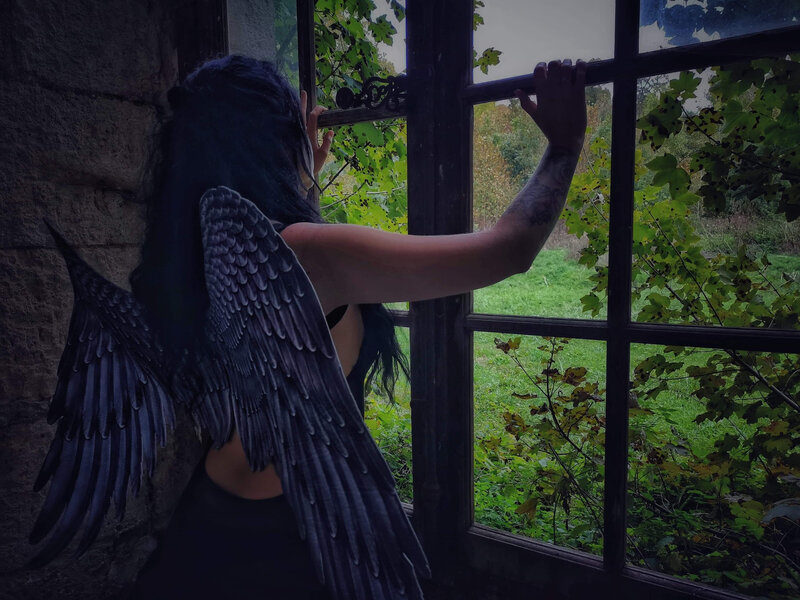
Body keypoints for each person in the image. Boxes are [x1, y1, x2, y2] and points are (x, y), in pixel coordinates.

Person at [128, 53, 586, 597]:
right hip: (294, 536)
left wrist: (300, 181)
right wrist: (564, 146)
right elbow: (509, 249)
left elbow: (274, 290)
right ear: (277, 143)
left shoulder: (182, 255)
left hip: (206, 516)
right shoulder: (314, 255)